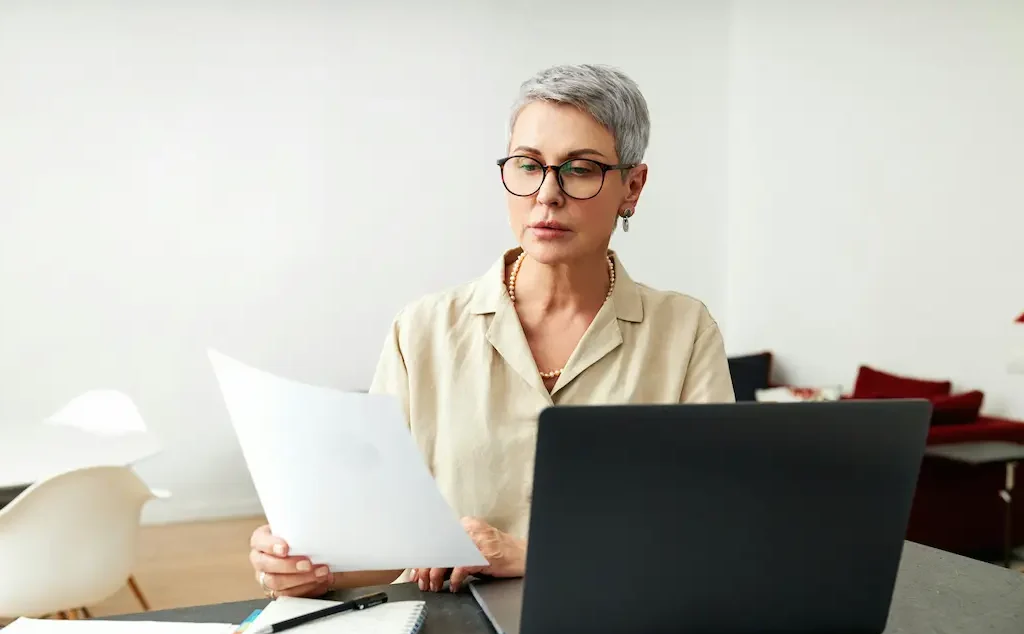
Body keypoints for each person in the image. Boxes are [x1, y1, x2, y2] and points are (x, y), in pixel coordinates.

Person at [248, 63, 735, 599]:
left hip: (624, 632)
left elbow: (711, 535)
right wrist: (310, 566)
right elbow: (376, 542)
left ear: (632, 188)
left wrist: (534, 556)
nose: (547, 194)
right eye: (528, 165)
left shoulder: (685, 334)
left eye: (580, 169)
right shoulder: (423, 332)